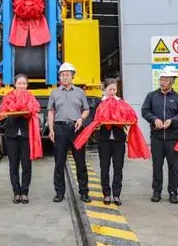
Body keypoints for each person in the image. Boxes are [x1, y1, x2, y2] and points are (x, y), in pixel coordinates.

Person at [141, 65, 178, 204]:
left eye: (166, 80)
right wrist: (154, 119)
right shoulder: (151, 96)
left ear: (172, 81)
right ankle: (156, 191)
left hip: (173, 138)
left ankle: (173, 192)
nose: (162, 82)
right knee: (157, 165)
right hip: (157, 137)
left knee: (173, 167)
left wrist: (172, 121)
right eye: (161, 79)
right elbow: (145, 111)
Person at [48, 62, 91, 203]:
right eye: (62, 75)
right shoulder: (55, 92)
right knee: (59, 162)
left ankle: (84, 192)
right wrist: (51, 129)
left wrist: (81, 119)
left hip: (76, 129)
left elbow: (86, 109)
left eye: (67, 75)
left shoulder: (80, 92)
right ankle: (59, 192)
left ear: (72, 76)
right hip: (60, 129)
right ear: (59, 77)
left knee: (80, 162)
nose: (65, 77)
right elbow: (51, 111)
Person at [5, 73, 37, 205]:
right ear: (15, 84)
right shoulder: (8, 96)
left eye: (24, 83)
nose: (22, 86)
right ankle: (16, 192)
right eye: (19, 83)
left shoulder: (31, 97)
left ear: (27, 85)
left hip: (26, 135)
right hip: (11, 135)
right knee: (13, 165)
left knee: (26, 165)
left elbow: (35, 110)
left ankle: (24, 193)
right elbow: (3, 110)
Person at [97, 78, 126, 206]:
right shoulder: (100, 103)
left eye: (114, 89)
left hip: (119, 140)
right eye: (110, 89)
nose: (112, 92)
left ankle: (117, 194)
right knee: (104, 167)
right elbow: (95, 119)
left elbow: (127, 117)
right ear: (105, 89)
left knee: (118, 167)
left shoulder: (121, 102)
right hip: (104, 140)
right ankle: (106, 194)